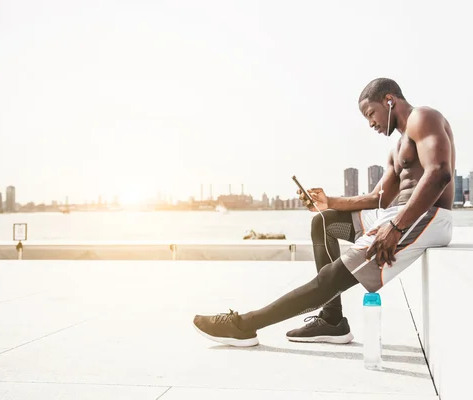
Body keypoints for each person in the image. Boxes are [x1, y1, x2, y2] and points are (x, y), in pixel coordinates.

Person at [193, 78, 455, 347]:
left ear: (389, 101)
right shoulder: (397, 147)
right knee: (324, 222)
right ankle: (332, 320)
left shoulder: (423, 117)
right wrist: (329, 202)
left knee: (330, 279)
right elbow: (378, 198)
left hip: (425, 216)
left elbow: (439, 173)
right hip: (398, 214)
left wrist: (397, 227)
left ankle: (243, 325)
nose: (371, 123)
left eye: (370, 114)